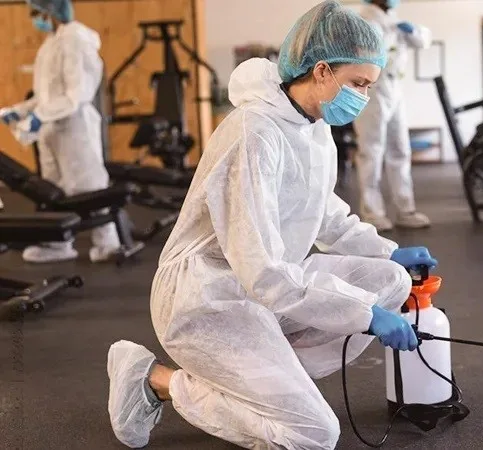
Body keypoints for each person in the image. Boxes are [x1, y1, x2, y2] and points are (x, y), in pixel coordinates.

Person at [106, 2, 438, 449]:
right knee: (314, 434)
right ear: (322, 71)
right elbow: (262, 271)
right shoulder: (254, 134)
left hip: (262, 290)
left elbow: (323, 211)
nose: (364, 95)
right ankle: (155, 379)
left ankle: (266, 383)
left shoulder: (312, 125)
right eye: (359, 83)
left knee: (391, 280)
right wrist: (363, 314)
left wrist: (387, 251)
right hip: (206, 300)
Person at [0, 0, 121, 263]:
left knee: (88, 186)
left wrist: (38, 116)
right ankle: (58, 244)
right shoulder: (50, 43)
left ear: (50, 10)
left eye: (36, 12)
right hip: (51, 129)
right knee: (51, 187)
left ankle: (108, 244)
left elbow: (75, 95)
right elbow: (45, 95)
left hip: (74, 127)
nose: (34, 18)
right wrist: (19, 110)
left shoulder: (75, 39)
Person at [353, 0, 433, 232]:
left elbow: (422, 40)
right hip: (372, 88)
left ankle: (405, 209)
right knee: (371, 151)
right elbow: (371, 53)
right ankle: (373, 212)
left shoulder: (394, 20)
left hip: (395, 89)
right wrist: (391, 33)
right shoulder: (365, 20)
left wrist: (412, 30)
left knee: (400, 148)